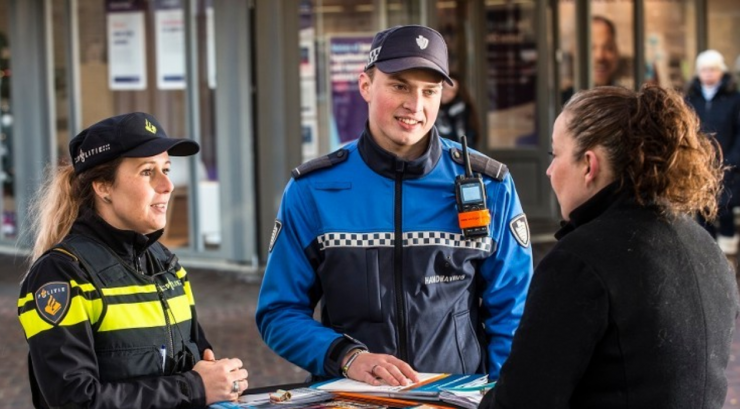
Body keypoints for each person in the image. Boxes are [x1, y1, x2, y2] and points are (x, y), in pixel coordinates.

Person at [256, 25, 533, 386]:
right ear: (366, 85)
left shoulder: (491, 185)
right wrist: (346, 357)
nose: (415, 106)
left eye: (429, 91)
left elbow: (516, 312)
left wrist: (499, 395)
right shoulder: (311, 190)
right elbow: (279, 312)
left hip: (456, 399)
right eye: (400, 86)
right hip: (350, 399)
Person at [480, 84, 740, 408]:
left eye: (555, 154)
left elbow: (521, 401)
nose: (548, 170)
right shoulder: (706, 247)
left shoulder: (580, 261)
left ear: (589, 165)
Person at [17, 112, 249, 408]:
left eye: (166, 168)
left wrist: (222, 379)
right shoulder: (60, 275)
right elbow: (75, 401)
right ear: (103, 187)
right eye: (147, 171)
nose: (167, 185)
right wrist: (194, 387)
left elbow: (199, 364)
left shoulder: (166, 265)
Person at [685, 49, 740, 255]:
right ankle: (708, 254)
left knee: (725, 207)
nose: (708, 74)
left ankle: (728, 258)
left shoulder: (734, 99)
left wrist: (733, 160)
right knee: (701, 207)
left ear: (721, 71)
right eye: (704, 70)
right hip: (699, 163)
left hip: (728, 164)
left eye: (712, 69)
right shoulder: (691, 98)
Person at [561, 16, 621, 103]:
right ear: (574, 51)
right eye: (591, 47)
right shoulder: (559, 104)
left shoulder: (628, 106)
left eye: (608, 47)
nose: (600, 56)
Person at [435, 72, 481, 149]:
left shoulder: (463, 112)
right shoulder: (431, 109)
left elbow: (471, 140)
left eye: (452, 91)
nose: (447, 93)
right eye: (445, 88)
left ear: (457, 93)